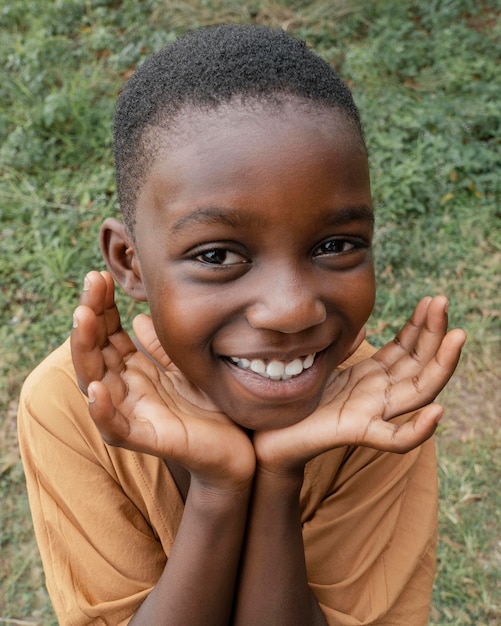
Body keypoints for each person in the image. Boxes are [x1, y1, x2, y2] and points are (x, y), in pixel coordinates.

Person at [18, 25, 466, 626]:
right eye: (217, 255)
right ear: (130, 263)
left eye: (335, 244)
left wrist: (277, 475)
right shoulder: (74, 406)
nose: (292, 309)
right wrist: (220, 487)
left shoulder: (379, 411)